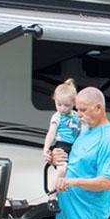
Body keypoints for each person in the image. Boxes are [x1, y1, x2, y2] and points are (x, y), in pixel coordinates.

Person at [51, 86, 110, 219]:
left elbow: (106, 182)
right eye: (77, 109)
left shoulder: (108, 139)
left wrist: (71, 182)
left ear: (98, 108)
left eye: (83, 110)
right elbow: (74, 163)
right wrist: (56, 157)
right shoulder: (83, 131)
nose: (79, 114)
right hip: (66, 216)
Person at [41, 78, 82, 209]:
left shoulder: (76, 115)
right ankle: (52, 196)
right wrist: (46, 148)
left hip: (74, 146)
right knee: (62, 169)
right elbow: (51, 133)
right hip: (62, 144)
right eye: (59, 104)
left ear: (74, 104)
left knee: (72, 170)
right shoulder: (57, 117)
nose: (62, 108)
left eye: (66, 105)